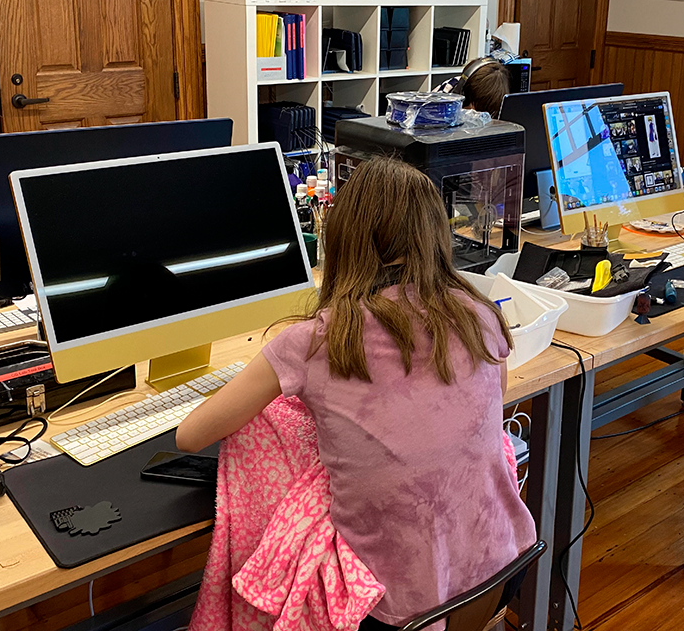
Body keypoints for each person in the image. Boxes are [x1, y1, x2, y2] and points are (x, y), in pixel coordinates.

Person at [176, 157, 536, 628]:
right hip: (501, 568)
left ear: (344, 238)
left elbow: (190, 436)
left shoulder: (314, 342)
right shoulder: (480, 315)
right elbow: (488, 407)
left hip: (393, 608)